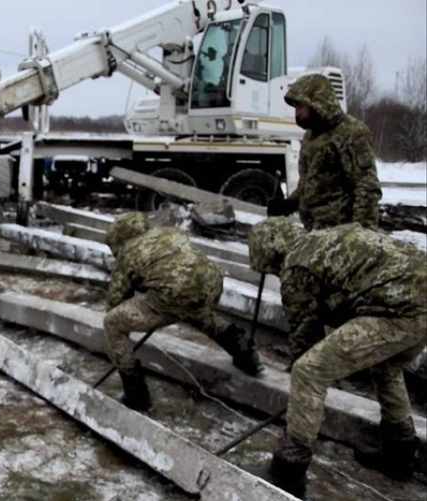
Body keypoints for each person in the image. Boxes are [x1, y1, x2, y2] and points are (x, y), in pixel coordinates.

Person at [248, 218, 426, 496]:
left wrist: (301, 392)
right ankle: (399, 454)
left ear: (272, 251)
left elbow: (304, 334)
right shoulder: (318, 240)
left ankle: (288, 471)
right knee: (386, 367)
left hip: (399, 309)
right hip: (417, 299)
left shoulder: (296, 264)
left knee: (309, 371)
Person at [103, 213, 263, 412]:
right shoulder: (168, 233)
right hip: (212, 282)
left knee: (112, 323)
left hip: (174, 291)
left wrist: (131, 293)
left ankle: (136, 395)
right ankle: (246, 355)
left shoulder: (128, 251)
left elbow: (115, 300)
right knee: (193, 310)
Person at [268, 74, 382, 231]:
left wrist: (362, 234)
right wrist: (288, 204)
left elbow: (366, 186)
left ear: (317, 104)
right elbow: (309, 184)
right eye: (295, 108)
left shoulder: (351, 133)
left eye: (301, 107)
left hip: (341, 232)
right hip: (315, 230)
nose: (297, 114)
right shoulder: (310, 137)